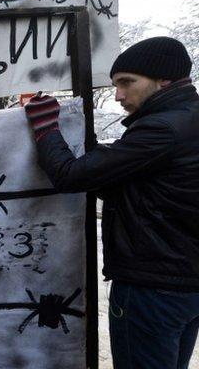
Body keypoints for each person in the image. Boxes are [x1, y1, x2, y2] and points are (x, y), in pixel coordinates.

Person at [24, 37, 199, 369]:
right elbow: (146, 190)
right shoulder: (188, 120)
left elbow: (70, 176)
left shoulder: (162, 130)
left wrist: (47, 128)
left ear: (164, 79)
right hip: (185, 285)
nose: (118, 95)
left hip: (152, 289)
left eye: (127, 83)